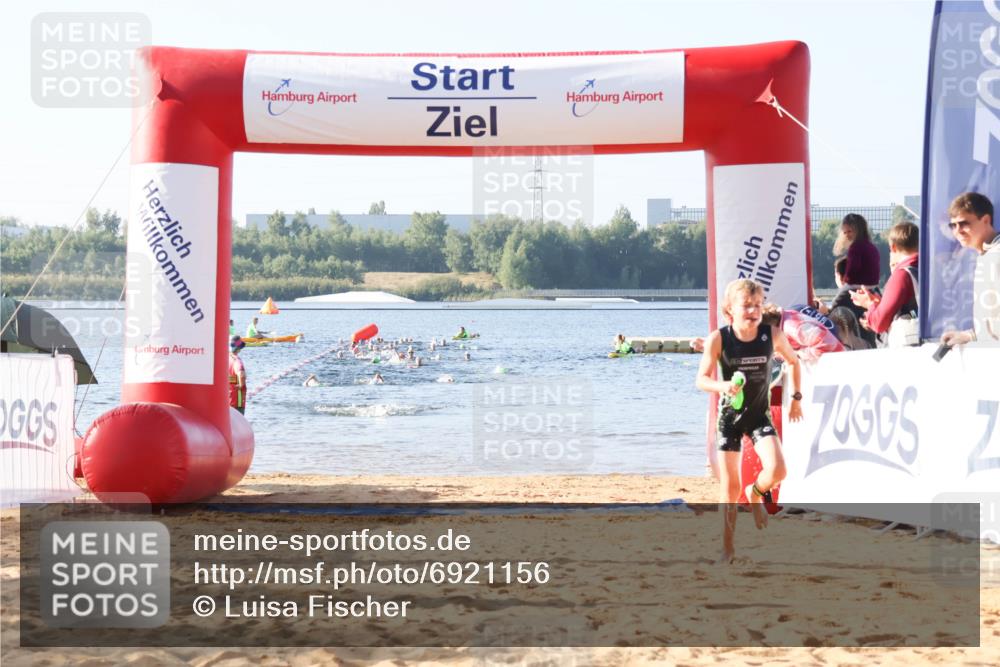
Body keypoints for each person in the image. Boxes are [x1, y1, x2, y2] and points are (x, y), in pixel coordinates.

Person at [695, 279, 803, 564]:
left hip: (758, 416)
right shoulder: (719, 338)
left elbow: (793, 362)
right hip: (729, 419)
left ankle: (755, 493)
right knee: (729, 488)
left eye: (758, 305)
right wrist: (724, 386)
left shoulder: (773, 334)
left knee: (779, 470)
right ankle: (727, 550)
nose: (754, 311)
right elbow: (702, 379)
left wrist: (796, 398)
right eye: (747, 306)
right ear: (730, 310)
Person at [941, 192, 1000, 346]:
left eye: (964, 223)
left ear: (986, 220)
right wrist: (970, 335)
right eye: (953, 225)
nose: (957, 230)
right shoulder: (986, 254)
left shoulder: (996, 254)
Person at [850, 221, 919, 346]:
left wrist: (869, 304)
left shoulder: (902, 275)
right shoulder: (927, 270)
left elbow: (879, 323)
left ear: (893, 247)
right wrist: (879, 303)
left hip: (908, 350)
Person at [814, 257, 878, 348]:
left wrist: (823, 312)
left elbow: (832, 321)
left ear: (840, 276)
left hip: (852, 348)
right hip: (871, 345)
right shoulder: (870, 290)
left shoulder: (844, 294)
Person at [834, 213, 881, 288]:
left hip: (857, 287)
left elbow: (852, 271)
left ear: (858, 231)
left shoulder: (855, 248)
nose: (847, 235)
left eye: (849, 231)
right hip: (873, 287)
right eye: (845, 232)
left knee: (836, 300)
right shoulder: (872, 247)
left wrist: (844, 283)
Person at [228, 335, 248, 415]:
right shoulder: (237, 361)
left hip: (227, 399)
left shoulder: (226, 357)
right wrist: (240, 385)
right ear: (239, 348)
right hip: (237, 401)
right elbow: (241, 375)